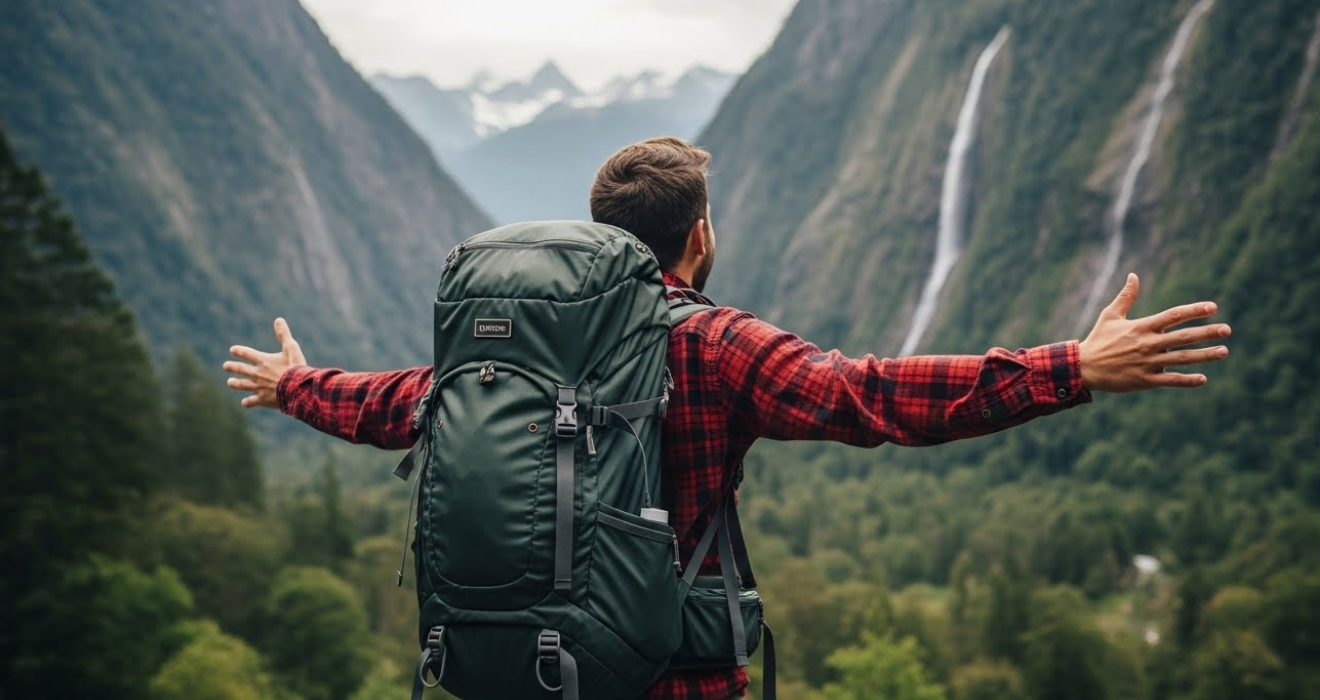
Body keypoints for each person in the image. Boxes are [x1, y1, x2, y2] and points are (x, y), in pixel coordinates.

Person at [225, 136, 1230, 700]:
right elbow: (871, 397)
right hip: (672, 683)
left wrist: (294, 385)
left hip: (527, 676)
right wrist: (1074, 367)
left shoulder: (517, 350)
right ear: (698, 236)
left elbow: (398, 403)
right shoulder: (711, 343)